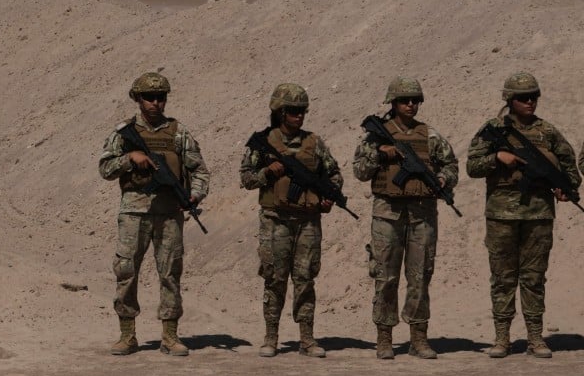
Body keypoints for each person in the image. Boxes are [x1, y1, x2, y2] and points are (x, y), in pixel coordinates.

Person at [466, 71, 581, 358]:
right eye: (523, 97)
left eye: (534, 96)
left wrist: (565, 188)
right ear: (510, 100)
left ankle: (535, 338)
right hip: (501, 215)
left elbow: (570, 168)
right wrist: (497, 158)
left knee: (534, 277)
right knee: (503, 277)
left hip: (538, 215)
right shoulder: (493, 129)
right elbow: (472, 166)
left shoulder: (548, 131)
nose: (530, 102)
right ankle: (502, 338)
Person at [98, 72, 211, 356]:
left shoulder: (179, 132)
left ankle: (170, 336)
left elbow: (199, 170)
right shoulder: (123, 133)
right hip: (134, 212)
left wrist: (195, 194)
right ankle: (127, 335)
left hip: (169, 211)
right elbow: (105, 169)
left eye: (161, 97)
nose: (156, 103)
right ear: (137, 99)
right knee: (126, 271)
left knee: (170, 272)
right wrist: (129, 159)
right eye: (149, 97)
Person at [352, 77, 459, 360]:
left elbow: (451, 165)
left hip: (422, 214)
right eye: (405, 100)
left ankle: (418, 338)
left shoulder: (430, 135)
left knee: (420, 275)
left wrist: (442, 178)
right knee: (385, 276)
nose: (411, 105)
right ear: (393, 103)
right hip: (387, 213)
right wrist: (380, 154)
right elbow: (360, 171)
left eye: (415, 100)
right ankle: (384, 337)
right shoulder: (377, 135)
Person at [240, 83, 343, 358]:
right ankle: (271, 337)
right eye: (294, 111)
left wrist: (329, 198)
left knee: (305, 277)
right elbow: (247, 178)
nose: (299, 116)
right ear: (280, 112)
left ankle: (307, 339)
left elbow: (333, 174)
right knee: (274, 278)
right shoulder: (263, 141)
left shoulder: (314, 142)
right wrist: (268, 173)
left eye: (302, 111)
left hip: (308, 220)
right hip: (275, 220)